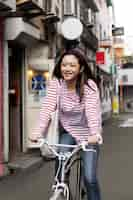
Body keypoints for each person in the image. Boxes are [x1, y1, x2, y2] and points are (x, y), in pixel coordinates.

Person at [31, 48, 103, 200]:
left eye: (72, 65)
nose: (67, 69)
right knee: (60, 170)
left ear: (81, 68)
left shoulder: (89, 86)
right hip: (68, 131)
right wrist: (38, 131)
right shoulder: (57, 84)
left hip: (89, 134)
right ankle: (64, 192)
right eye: (64, 65)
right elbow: (47, 109)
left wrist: (95, 134)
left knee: (89, 178)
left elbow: (92, 112)